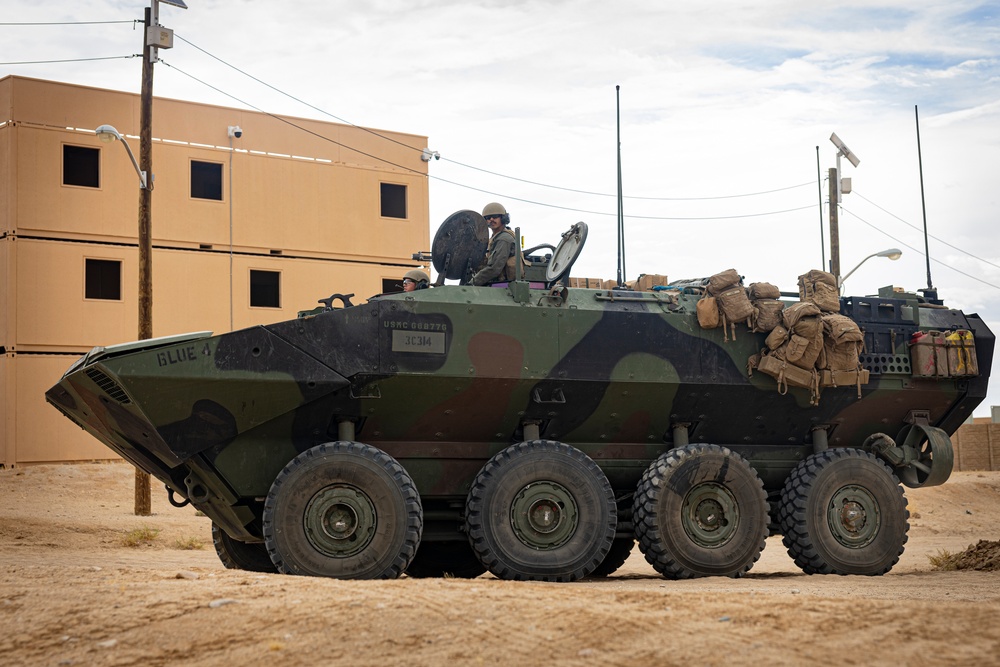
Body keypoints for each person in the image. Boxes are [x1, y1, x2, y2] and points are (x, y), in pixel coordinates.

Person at [471, 202, 517, 286]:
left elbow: (495, 268)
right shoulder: (494, 238)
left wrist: (472, 283)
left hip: (503, 285)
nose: (491, 219)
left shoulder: (504, 239)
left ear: (503, 218)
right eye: (488, 218)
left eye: (495, 216)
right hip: (495, 283)